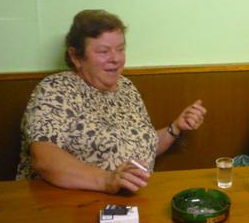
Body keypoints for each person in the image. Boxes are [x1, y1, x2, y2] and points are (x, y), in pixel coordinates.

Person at [16, 10, 207, 193]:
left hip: (128, 202)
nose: (115, 58)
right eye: (103, 51)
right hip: (65, 204)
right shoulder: (55, 89)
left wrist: (175, 128)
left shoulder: (126, 87)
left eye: (120, 49)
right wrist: (106, 180)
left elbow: (141, 146)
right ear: (76, 57)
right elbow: (44, 158)